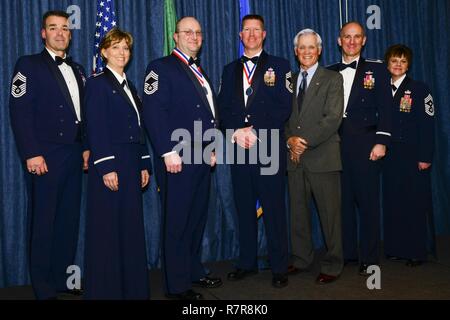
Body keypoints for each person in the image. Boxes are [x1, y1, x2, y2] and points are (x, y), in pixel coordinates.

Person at [9, 10, 88, 299]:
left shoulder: (78, 69)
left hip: (74, 154)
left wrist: (87, 147)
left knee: (68, 221)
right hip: (44, 156)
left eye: (65, 28)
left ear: (70, 33)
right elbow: (19, 112)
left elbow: (84, 115)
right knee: (43, 222)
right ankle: (42, 287)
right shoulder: (27, 65)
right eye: (53, 28)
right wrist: (31, 153)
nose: (60, 33)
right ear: (43, 33)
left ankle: (62, 279)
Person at [142, 16, 222, 300]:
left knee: (196, 218)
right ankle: (176, 286)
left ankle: (193, 270)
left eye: (198, 32)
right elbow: (153, 111)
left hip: (201, 155)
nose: (194, 36)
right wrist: (167, 151)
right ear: (175, 37)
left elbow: (207, 114)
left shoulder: (199, 69)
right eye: (188, 32)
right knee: (177, 222)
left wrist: (212, 147)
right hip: (178, 156)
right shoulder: (160, 68)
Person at [218, 14, 292, 288]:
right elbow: (222, 108)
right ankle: (246, 262)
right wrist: (237, 130)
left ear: (264, 34)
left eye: (256, 30)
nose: (251, 34)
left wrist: (254, 129)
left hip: (268, 145)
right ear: (240, 35)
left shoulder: (281, 66)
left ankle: (279, 267)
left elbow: (284, 106)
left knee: (274, 209)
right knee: (244, 207)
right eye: (246, 29)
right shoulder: (229, 69)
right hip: (239, 147)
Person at [83, 28, 151, 300]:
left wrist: (144, 163)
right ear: (104, 52)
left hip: (131, 162)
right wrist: (106, 167)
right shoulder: (98, 83)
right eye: (116, 48)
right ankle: (106, 291)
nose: (122, 53)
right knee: (108, 229)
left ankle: (131, 288)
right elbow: (95, 127)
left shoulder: (130, 86)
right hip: (112, 164)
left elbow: (139, 128)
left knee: (129, 227)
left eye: (126, 48)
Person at [327, 21, 392, 276]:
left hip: (367, 145)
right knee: (341, 204)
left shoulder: (376, 70)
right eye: (346, 37)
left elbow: (387, 109)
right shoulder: (329, 71)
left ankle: (369, 256)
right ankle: (349, 254)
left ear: (364, 40)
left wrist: (382, 141)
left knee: (367, 203)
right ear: (339, 40)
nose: (351, 41)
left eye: (356, 37)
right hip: (335, 145)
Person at [285, 29, 344, 284]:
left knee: (330, 217)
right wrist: (290, 140)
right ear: (296, 51)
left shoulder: (332, 78)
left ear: (319, 50)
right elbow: (283, 117)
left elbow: (332, 119)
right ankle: (301, 259)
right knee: (298, 215)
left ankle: (332, 265)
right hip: (295, 159)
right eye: (302, 47)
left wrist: (303, 142)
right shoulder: (290, 80)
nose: (306, 52)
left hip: (323, 158)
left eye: (311, 47)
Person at [382, 44, 435, 267]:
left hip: (413, 154)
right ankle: (396, 248)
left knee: (413, 203)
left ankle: (416, 251)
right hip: (389, 154)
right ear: (388, 63)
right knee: (393, 201)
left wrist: (425, 156)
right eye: (394, 60)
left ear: (408, 64)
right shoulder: (381, 88)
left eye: (403, 61)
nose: (398, 65)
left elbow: (428, 126)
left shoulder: (420, 89)